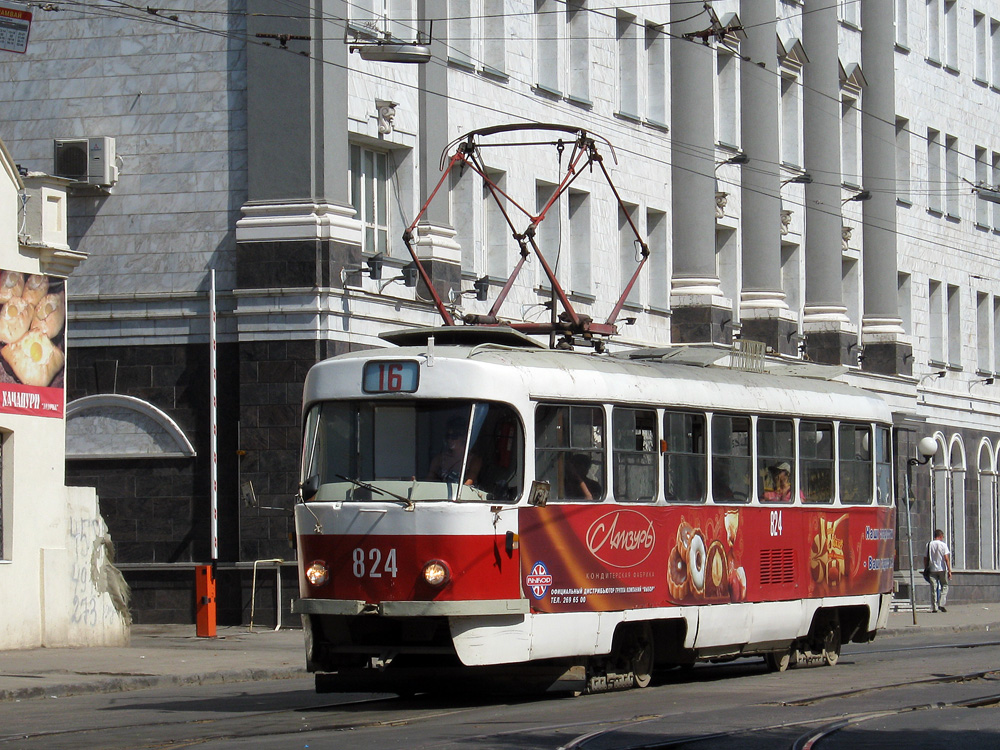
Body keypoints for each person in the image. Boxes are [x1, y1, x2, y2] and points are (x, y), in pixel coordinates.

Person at [426, 419, 481, 485]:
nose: (450, 440)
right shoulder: (439, 459)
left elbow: (468, 483)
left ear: (464, 437)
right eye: (448, 436)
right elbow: (429, 481)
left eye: (454, 436)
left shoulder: (474, 460)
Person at [924, 529, 953, 613]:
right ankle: (941, 603)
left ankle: (934, 607)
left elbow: (925, 558)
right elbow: (946, 558)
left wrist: (926, 567)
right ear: (940, 536)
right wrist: (949, 570)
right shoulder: (943, 545)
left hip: (932, 569)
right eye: (942, 536)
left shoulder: (929, 544)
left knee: (933, 587)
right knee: (945, 585)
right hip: (942, 569)